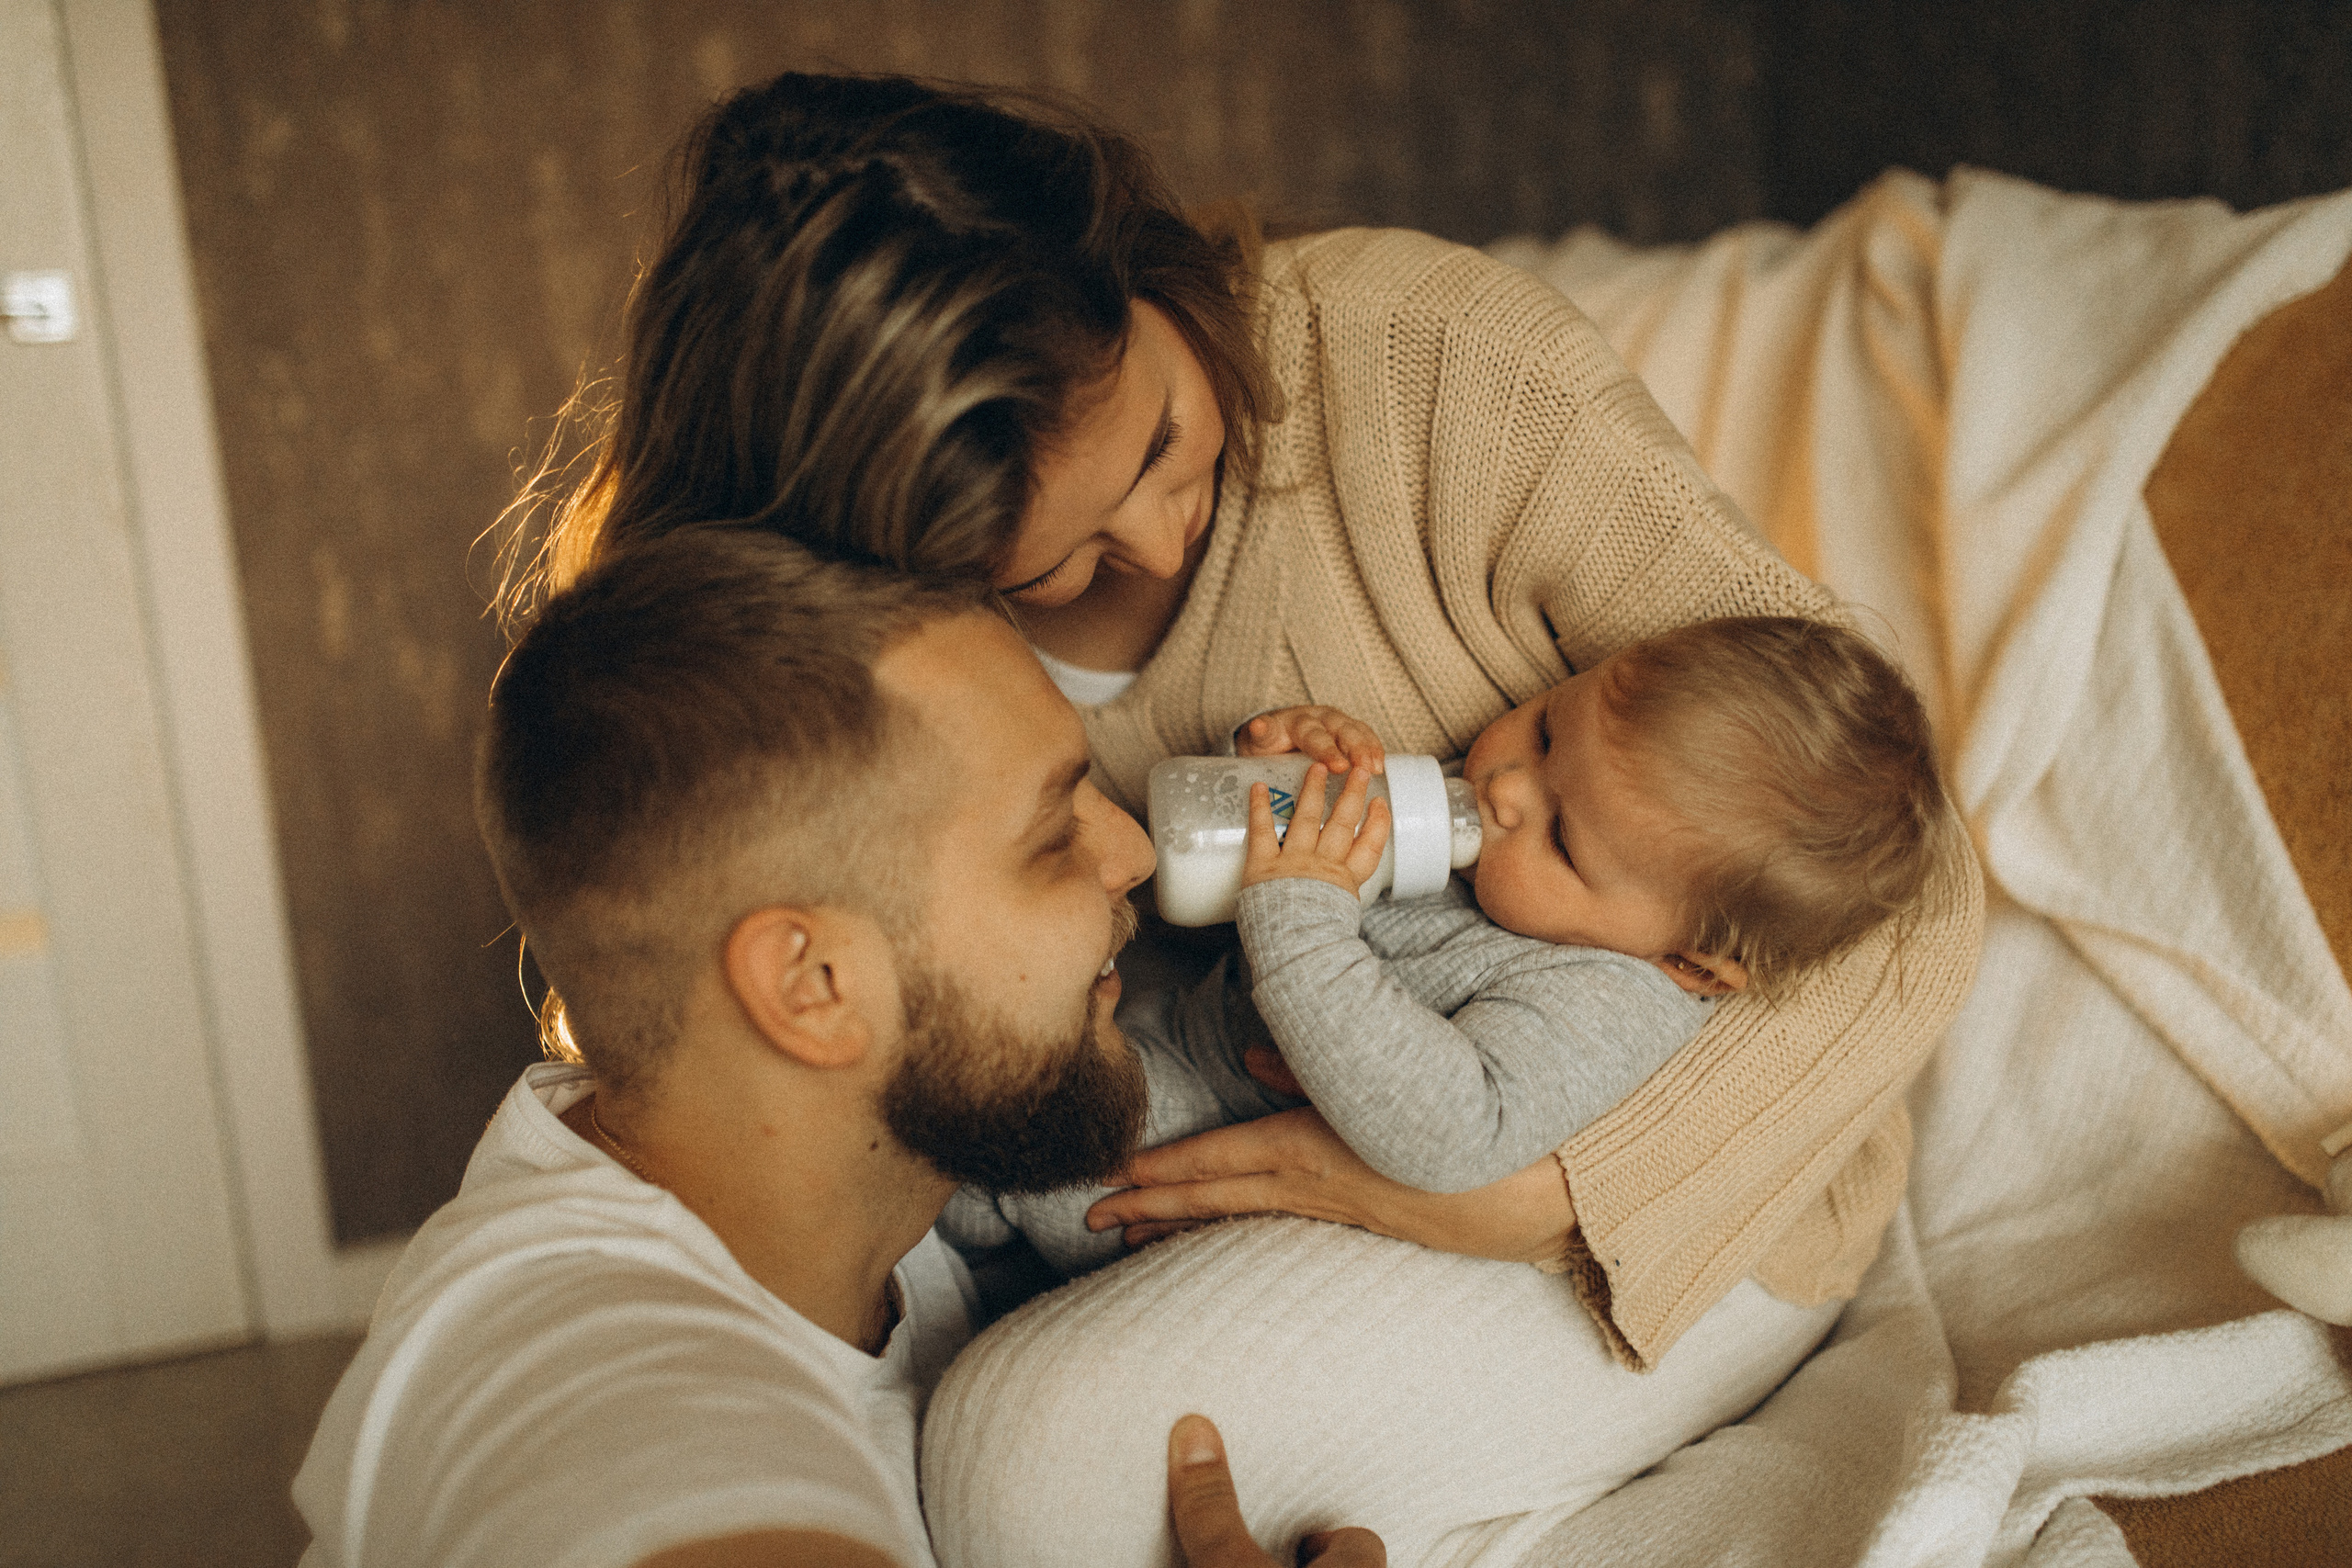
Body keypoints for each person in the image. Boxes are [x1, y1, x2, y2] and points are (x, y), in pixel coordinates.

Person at [506, 72, 1984, 1565]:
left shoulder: (1438, 371)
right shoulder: (853, 630)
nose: (1160, 539)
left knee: (1026, 1456)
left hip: (1666, 1213)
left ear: (1140, 267)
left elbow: (1909, 890)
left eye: (1156, 441)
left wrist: (1556, 1192)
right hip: (1174, 1141)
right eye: (1051, 563)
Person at [290, 526, 1408, 1568]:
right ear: (813, 988)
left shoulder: (854, 1205)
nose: (1130, 854)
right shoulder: (609, 1384)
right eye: (1048, 834)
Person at [949, 617, 1952, 1281]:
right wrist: (1297, 773)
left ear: (1688, 963)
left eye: (1562, 836)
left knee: (1030, 1165)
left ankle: (957, 1221)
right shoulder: (1507, 841)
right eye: (1552, 730)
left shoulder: (1607, 1000)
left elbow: (1447, 1131)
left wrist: (1300, 908)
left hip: (1218, 1131)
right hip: (1181, 1017)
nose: (1508, 789)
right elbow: (1267, 859)